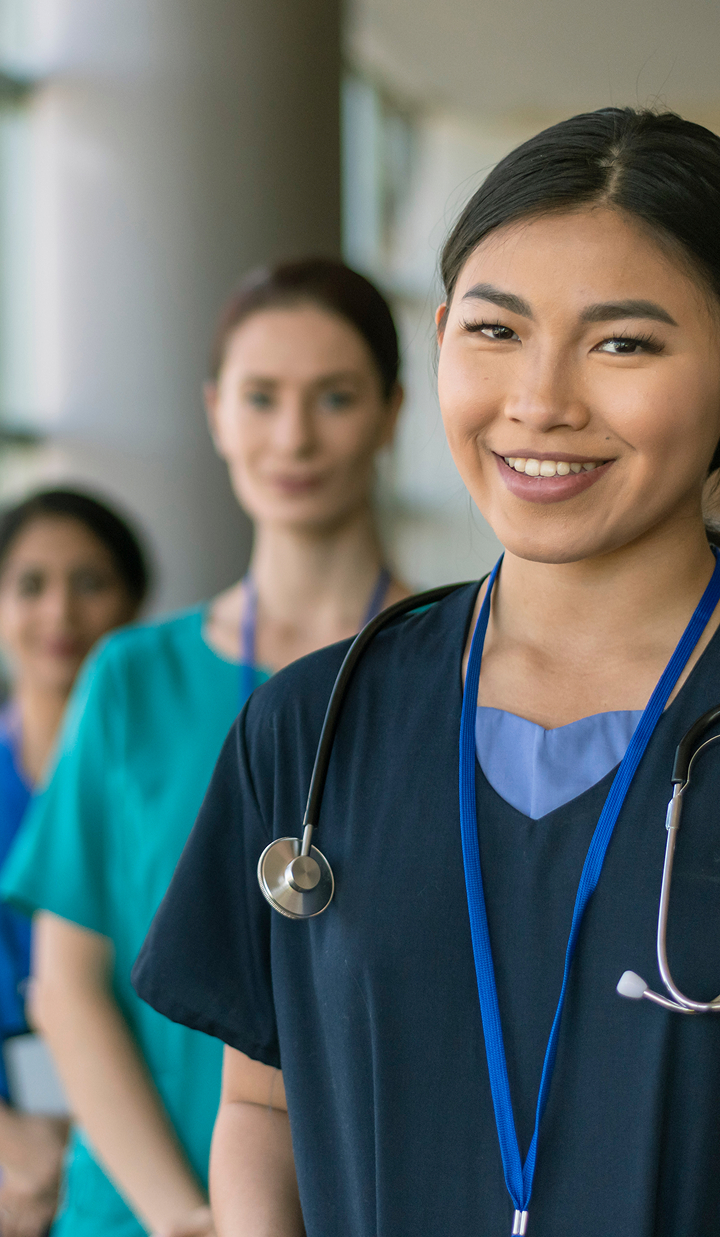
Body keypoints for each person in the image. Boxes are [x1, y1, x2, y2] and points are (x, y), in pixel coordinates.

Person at [132, 108, 720, 1237]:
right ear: (442, 333)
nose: (539, 401)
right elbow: (262, 1092)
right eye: (496, 332)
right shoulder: (314, 722)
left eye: (623, 343)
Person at [1, 260, 408, 1237]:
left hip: (363, 1201)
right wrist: (182, 1214)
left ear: (395, 412)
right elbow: (67, 983)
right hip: (138, 1208)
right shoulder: (131, 678)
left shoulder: (453, 673)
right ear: (217, 411)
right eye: (261, 398)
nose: (293, 436)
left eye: (336, 397)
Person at [0, 488, 148, 1237]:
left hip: (143, 1149)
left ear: (133, 603)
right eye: (31, 584)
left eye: (91, 582)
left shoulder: (164, 790)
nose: (60, 612)